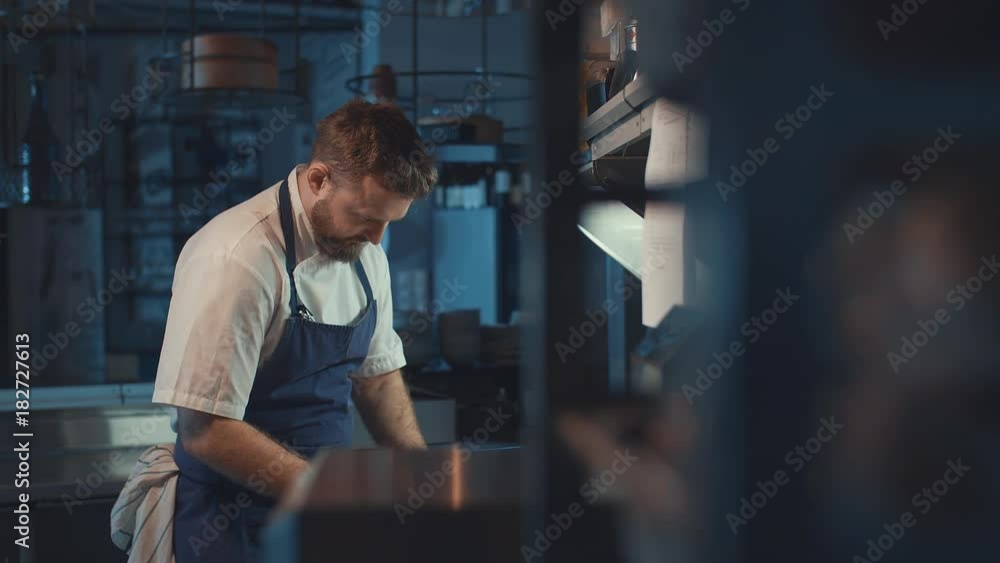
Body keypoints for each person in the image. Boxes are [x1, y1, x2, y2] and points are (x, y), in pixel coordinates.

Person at [151, 99, 438, 562]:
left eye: (388, 221)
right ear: (320, 179)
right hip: (232, 523)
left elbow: (378, 378)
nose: (377, 239)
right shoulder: (236, 257)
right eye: (366, 217)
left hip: (320, 514)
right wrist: (329, 493)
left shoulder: (365, 253)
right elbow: (205, 431)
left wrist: (424, 480)